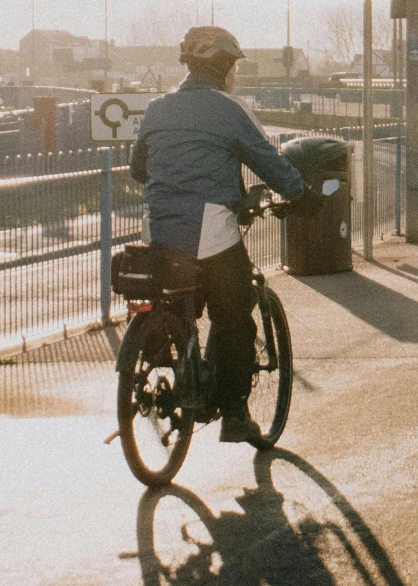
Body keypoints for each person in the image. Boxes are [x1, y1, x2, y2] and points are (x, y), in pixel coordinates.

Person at [130, 26, 320, 443]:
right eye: (233, 65)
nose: (235, 73)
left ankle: (168, 358)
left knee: (180, 299)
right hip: (209, 229)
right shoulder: (228, 110)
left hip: (159, 229)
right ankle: (234, 412)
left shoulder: (158, 108)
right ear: (222, 67)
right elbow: (266, 158)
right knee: (234, 313)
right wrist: (299, 193)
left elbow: (137, 169)